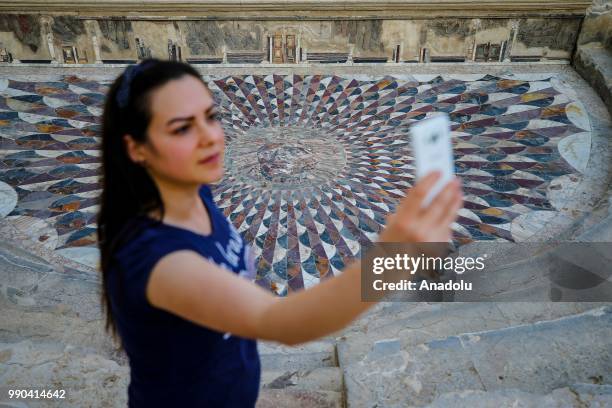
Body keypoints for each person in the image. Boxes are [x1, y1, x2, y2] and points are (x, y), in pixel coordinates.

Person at [97, 59, 463, 407]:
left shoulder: (189, 189)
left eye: (211, 117)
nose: (210, 137)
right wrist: (395, 254)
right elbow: (283, 323)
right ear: (137, 148)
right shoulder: (164, 264)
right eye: (182, 128)